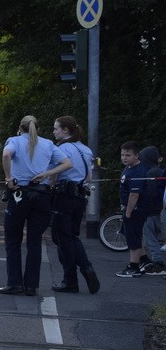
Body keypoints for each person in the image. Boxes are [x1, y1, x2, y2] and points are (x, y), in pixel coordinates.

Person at [0, 115, 72, 295]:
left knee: (13, 240)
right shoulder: (48, 144)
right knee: (34, 241)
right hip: (42, 195)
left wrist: (9, 179)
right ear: (37, 129)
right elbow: (67, 163)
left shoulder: (14, 141)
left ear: (20, 127)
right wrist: (47, 173)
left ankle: (15, 283)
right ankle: (32, 285)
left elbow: (6, 154)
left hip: (19, 194)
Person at [43, 116, 100, 293]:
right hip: (80, 197)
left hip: (64, 196)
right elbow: (89, 177)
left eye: (56, 129)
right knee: (72, 236)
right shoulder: (85, 149)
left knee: (62, 238)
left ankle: (72, 279)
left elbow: (54, 175)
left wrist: (48, 188)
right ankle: (86, 269)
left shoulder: (62, 149)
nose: (54, 132)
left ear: (66, 130)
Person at [116, 141, 156, 277]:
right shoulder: (129, 167)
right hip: (132, 207)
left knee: (132, 236)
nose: (124, 158)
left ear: (137, 156)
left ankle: (133, 267)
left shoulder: (138, 171)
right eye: (122, 155)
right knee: (132, 233)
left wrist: (128, 213)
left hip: (137, 208)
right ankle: (144, 260)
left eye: (128, 155)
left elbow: (134, 195)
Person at [137, 146, 165, 274]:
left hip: (150, 210)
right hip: (158, 209)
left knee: (150, 238)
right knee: (156, 236)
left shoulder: (150, 173)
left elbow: (151, 193)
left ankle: (157, 264)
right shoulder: (158, 170)